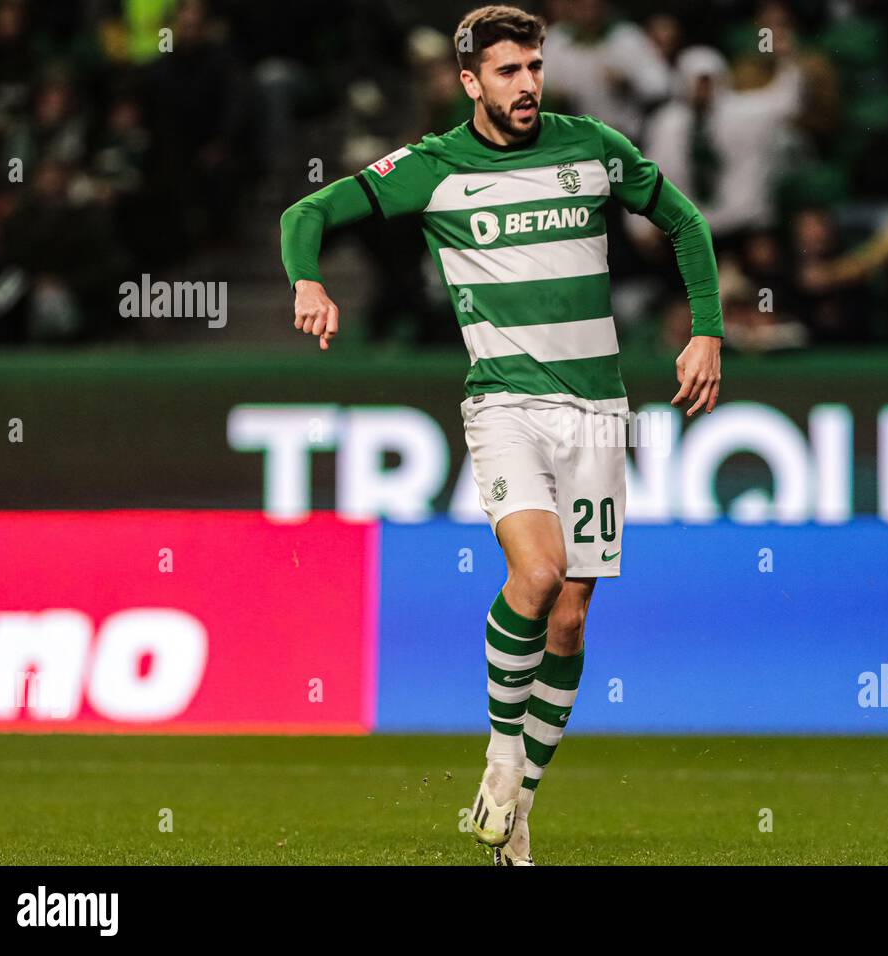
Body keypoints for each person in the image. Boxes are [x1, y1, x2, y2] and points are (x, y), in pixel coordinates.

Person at [278, 4, 722, 866]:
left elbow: (686, 223)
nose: (527, 85)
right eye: (509, 72)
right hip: (506, 405)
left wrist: (706, 328)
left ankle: (517, 812)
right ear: (471, 83)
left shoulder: (591, 148)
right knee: (539, 571)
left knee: (572, 618)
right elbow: (307, 214)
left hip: (597, 410)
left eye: (535, 67)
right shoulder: (435, 168)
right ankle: (501, 757)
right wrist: (307, 283)